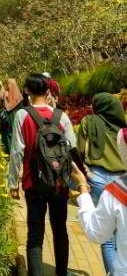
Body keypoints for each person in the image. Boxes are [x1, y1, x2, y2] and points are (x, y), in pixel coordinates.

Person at [8, 73, 84, 276]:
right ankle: (61, 273)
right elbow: (72, 151)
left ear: (27, 91)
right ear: (48, 90)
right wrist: (80, 182)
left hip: (34, 183)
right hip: (59, 184)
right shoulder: (62, 116)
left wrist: (13, 182)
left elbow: (17, 151)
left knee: (35, 234)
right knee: (60, 230)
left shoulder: (22, 115)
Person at [76, 92, 127, 275]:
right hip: (122, 177)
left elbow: (80, 149)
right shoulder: (122, 128)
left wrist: (82, 184)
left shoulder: (89, 122)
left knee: (107, 239)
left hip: (99, 179)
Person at [2, 78, 25, 154]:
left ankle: (13, 152)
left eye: (8, 84)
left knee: (13, 135)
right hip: (9, 120)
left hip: (13, 119)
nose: (7, 85)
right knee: (9, 135)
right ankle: (10, 152)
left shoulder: (17, 96)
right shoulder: (7, 94)